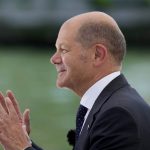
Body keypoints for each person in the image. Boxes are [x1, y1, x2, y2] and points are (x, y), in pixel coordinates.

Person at [0, 11, 150, 150]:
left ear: (97, 54)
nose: (54, 59)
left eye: (63, 49)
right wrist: (23, 142)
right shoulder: (111, 105)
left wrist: (21, 147)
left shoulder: (118, 115)